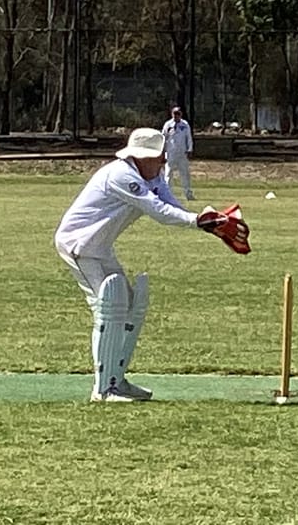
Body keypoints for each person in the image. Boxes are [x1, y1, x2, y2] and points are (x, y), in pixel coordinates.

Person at [54, 127, 224, 402]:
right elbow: (158, 211)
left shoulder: (153, 176)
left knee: (128, 305)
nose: (163, 162)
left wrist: (206, 222)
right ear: (141, 157)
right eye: (159, 157)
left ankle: (116, 380)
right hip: (79, 245)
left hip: (99, 247)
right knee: (107, 308)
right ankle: (103, 389)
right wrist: (196, 221)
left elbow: (171, 205)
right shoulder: (121, 175)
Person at [161, 106, 194, 201]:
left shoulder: (185, 124)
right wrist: (162, 151)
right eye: (174, 114)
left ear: (181, 114)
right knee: (168, 174)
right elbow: (163, 138)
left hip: (182, 153)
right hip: (171, 153)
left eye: (178, 114)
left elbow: (189, 137)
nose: (176, 116)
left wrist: (190, 149)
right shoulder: (168, 124)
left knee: (185, 174)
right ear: (172, 114)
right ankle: (167, 195)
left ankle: (188, 194)